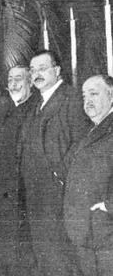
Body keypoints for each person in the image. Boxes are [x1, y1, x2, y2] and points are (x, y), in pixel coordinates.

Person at [21, 50, 90, 276]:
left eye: (42, 68)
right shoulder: (35, 103)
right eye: (32, 70)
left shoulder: (72, 98)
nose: (36, 74)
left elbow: (82, 142)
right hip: (36, 193)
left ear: (57, 71)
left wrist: (59, 176)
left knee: (61, 255)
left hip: (60, 193)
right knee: (44, 253)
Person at [0, 65, 37, 275]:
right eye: (10, 79)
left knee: (22, 259)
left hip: (23, 199)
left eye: (18, 79)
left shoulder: (37, 108)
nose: (13, 84)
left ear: (30, 81)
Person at [64, 75, 113, 276]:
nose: (88, 101)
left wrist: (108, 207)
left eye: (94, 94)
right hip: (84, 233)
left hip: (106, 234)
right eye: (84, 96)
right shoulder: (89, 130)